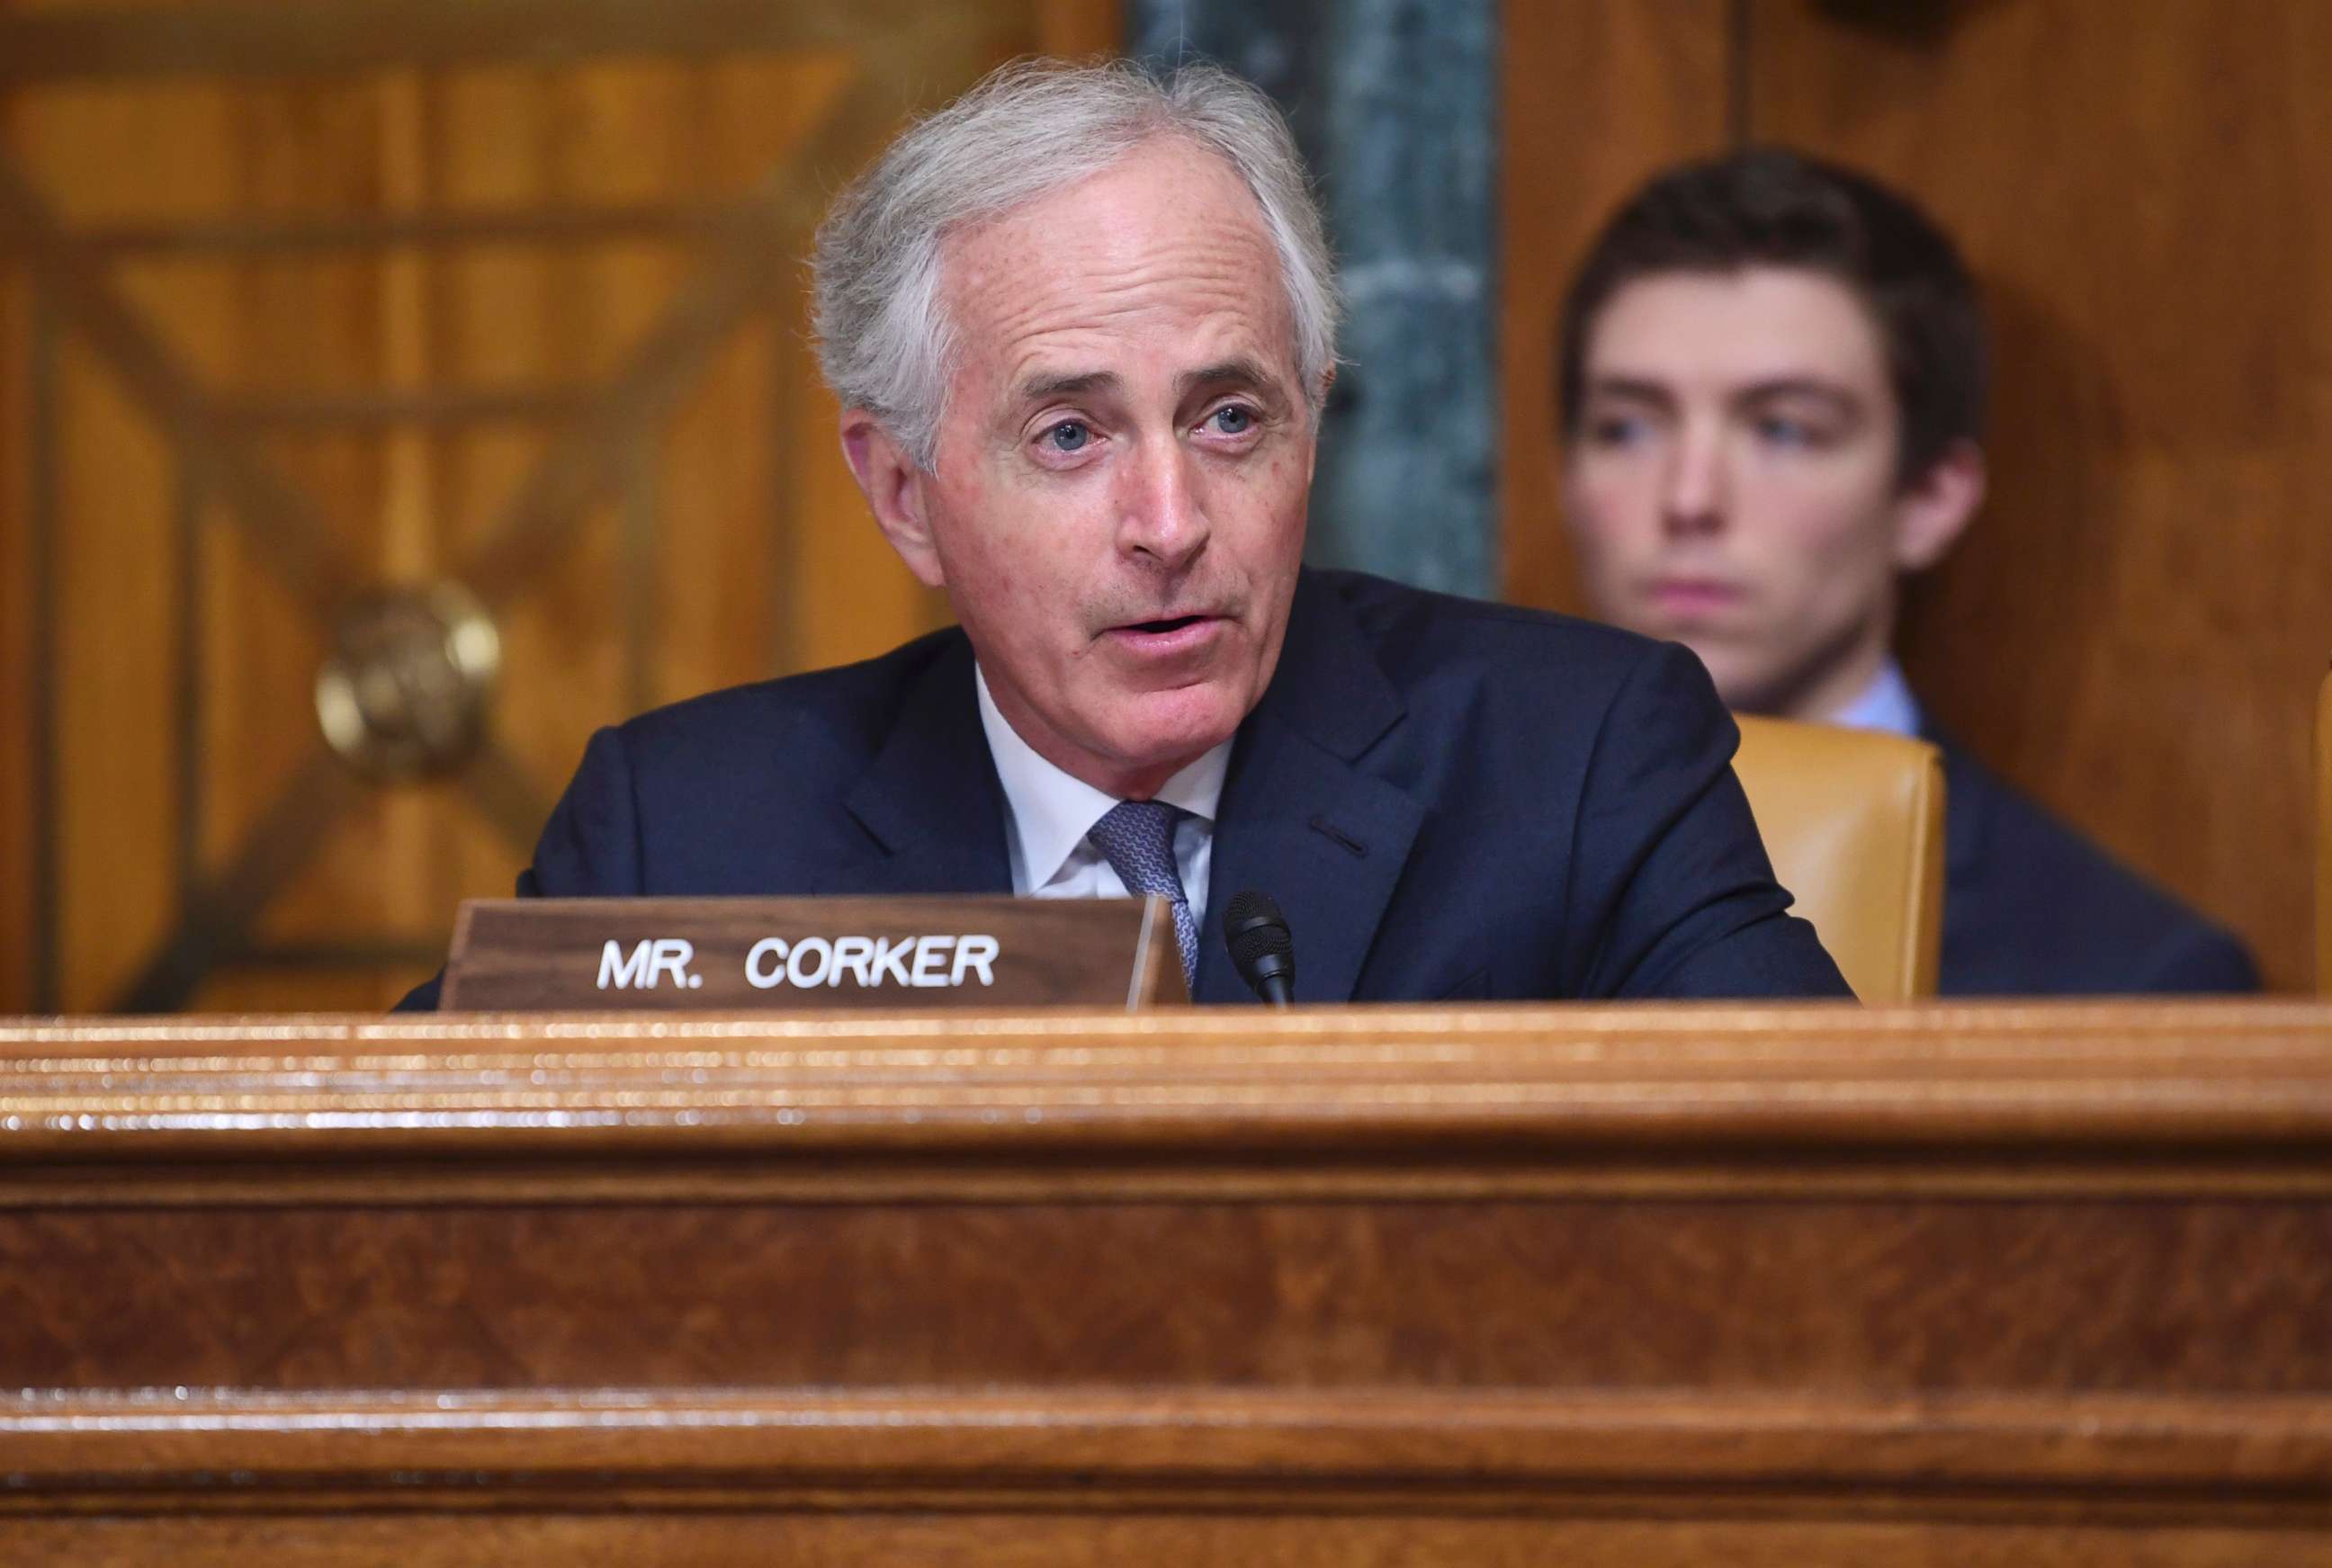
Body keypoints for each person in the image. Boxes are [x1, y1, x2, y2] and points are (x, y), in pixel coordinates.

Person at [401, 62, 1847, 1010]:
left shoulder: (1582, 761)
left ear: (1313, 423)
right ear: (904, 493)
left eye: (1229, 419)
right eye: (1071, 436)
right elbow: (391, 1228)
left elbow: (1834, 1200)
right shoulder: (685, 838)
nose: (1170, 526)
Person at [1556, 148, 2256, 995]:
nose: (1690, 497)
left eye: (1785, 429)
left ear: (1929, 499)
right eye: (1628, 427)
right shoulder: (1459, 858)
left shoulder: (2130, 976)